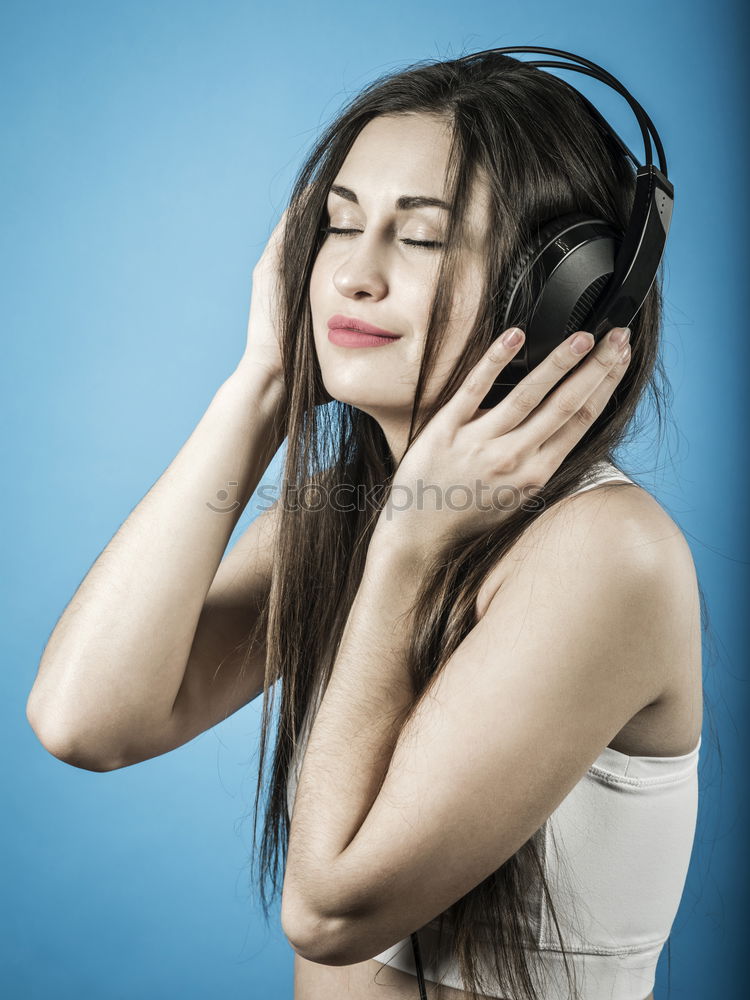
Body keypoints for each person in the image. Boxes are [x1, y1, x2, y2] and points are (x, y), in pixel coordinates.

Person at [26, 51, 702, 1000]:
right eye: (338, 226)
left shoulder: (605, 556)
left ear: (565, 293)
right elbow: (83, 719)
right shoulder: (360, 514)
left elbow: (329, 909)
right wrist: (264, 382)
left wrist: (407, 554)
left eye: (419, 239)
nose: (352, 274)